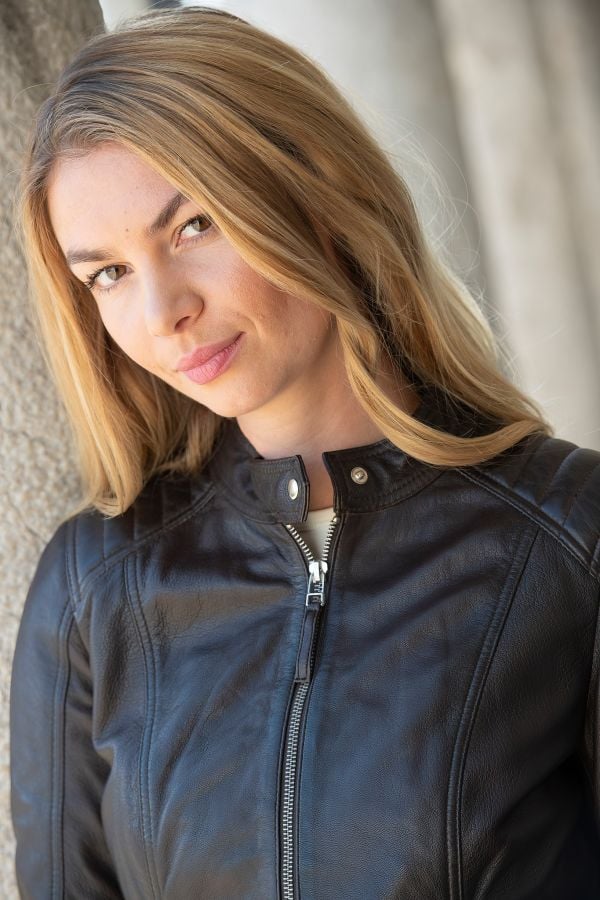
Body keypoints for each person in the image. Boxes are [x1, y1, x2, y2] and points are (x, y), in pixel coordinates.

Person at [9, 6, 600, 899]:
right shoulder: (93, 587)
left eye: (194, 226)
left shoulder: (570, 539)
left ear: (315, 193)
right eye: (109, 274)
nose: (163, 312)